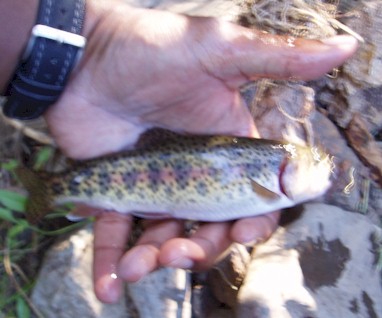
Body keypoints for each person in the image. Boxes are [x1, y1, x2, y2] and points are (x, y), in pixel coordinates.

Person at [1, 0, 358, 304]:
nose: (324, 169)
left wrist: (89, 41)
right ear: (285, 166)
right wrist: (89, 43)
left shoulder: (271, 187)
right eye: (315, 163)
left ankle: (51, 188)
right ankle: (50, 189)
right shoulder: (269, 188)